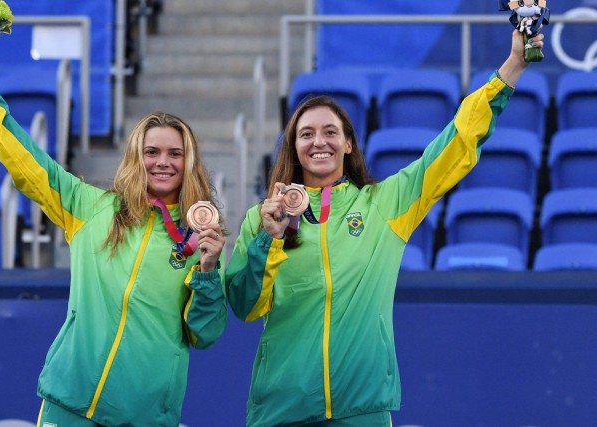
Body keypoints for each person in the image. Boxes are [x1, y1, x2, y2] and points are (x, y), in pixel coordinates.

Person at [226, 30, 545, 426]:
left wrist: (513, 64)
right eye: (305, 134)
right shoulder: (262, 218)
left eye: (330, 132)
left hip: (362, 410)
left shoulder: (385, 205)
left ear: (348, 145)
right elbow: (245, 305)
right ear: (292, 147)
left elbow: (457, 142)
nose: (318, 141)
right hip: (281, 411)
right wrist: (268, 240)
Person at [0, 43, 227, 426]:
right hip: (71, 404)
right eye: (152, 152)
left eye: (175, 154)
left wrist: (209, 271)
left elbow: (205, 333)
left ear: (189, 161)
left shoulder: (202, 237)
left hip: (144, 416)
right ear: (136, 157)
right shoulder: (90, 207)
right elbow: (24, 158)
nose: (163, 162)